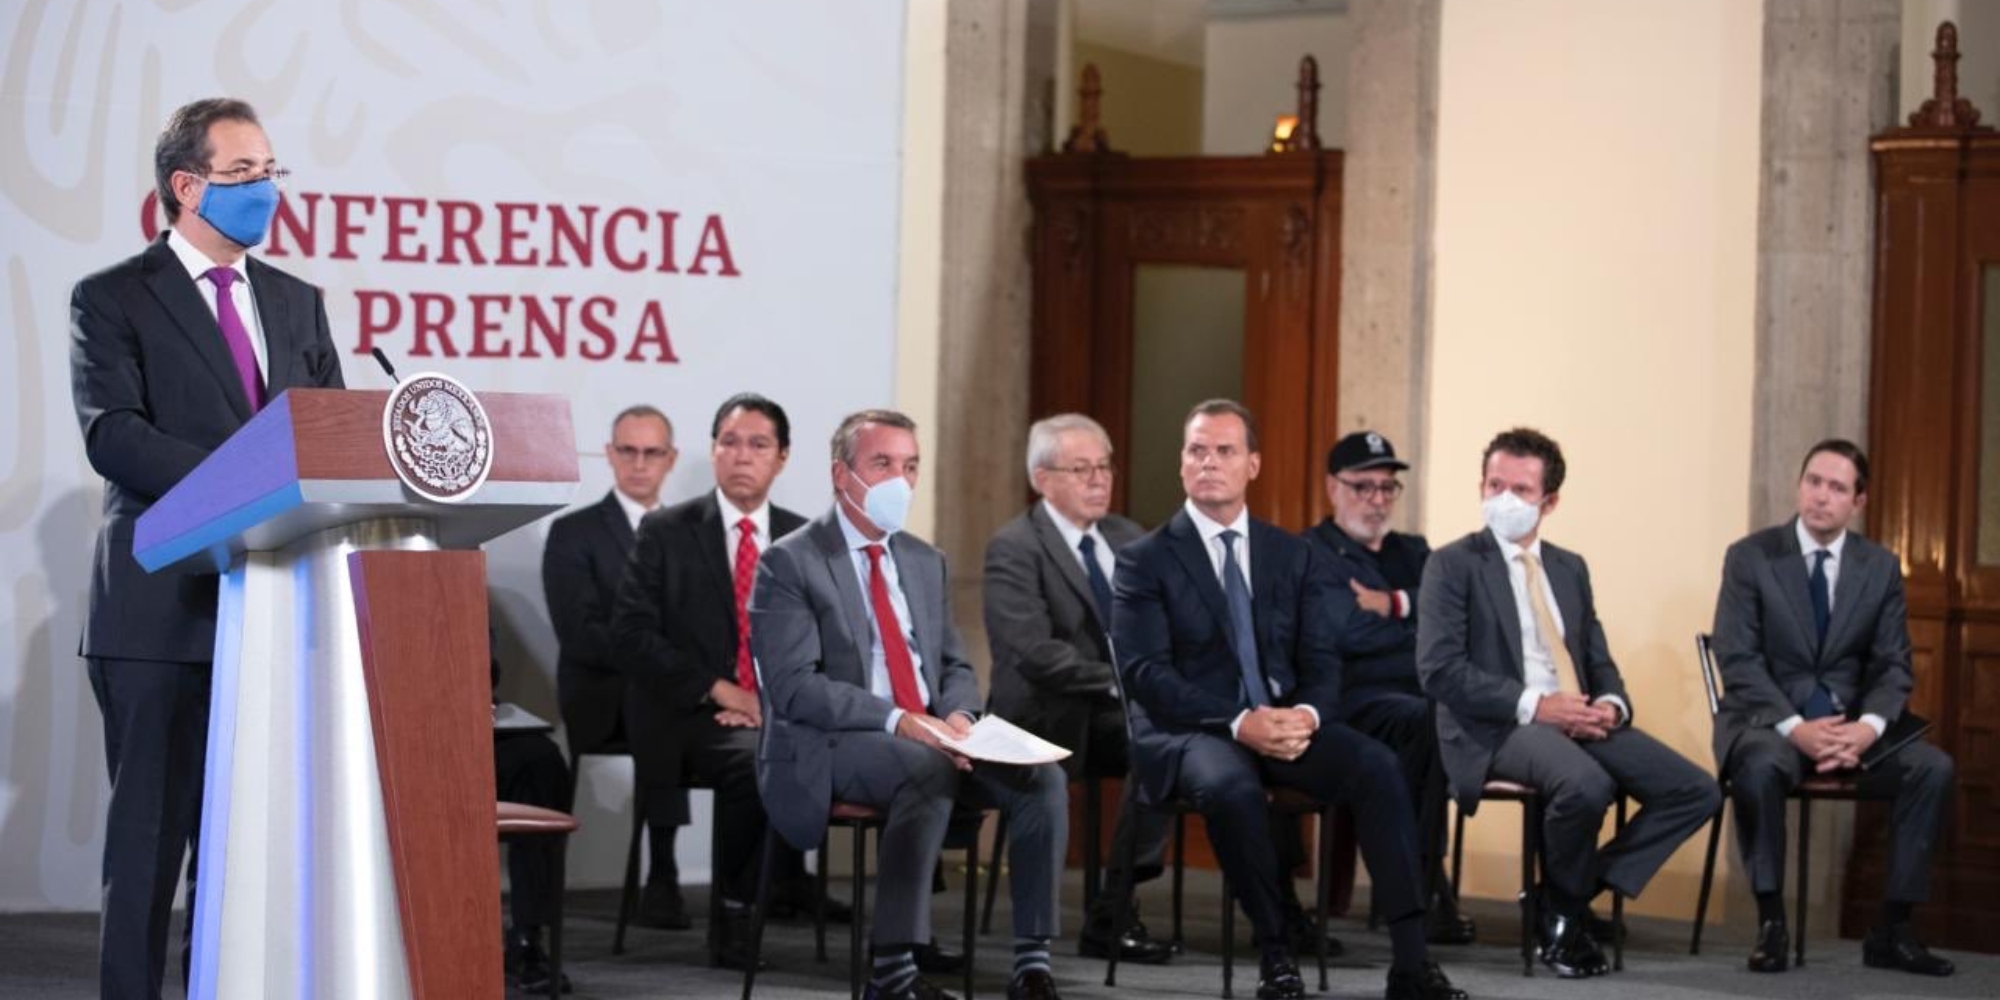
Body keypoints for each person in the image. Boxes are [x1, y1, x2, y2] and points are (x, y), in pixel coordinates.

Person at [69, 97, 345, 999]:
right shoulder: (113, 297)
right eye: (243, 174)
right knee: (149, 847)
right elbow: (114, 434)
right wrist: (251, 481)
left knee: (252, 853)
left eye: (272, 171)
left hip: (276, 608)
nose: (266, 189)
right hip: (161, 611)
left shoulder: (297, 302)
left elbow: (332, 435)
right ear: (187, 187)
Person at [1112, 400, 1464, 1000]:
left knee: (1376, 765)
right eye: (1197, 450)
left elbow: (1322, 660)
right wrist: (1240, 720)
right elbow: (1145, 674)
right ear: (1181, 464)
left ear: (1252, 464)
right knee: (1232, 788)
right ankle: (1278, 955)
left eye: (1224, 451)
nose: (1209, 463)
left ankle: (1411, 962)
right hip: (1192, 730)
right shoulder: (1145, 560)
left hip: (1281, 722)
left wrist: (1306, 714)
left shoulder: (1289, 554)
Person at [752, 409, 1070, 1000]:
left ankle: (1032, 964)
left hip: (931, 734)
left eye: (911, 466)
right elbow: (794, 687)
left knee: (1040, 780)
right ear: (841, 476)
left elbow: (951, 664)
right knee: (924, 769)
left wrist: (958, 717)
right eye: (883, 464)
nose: (900, 480)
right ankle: (892, 976)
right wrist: (901, 720)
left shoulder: (925, 560)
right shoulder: (790, 562)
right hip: (831, 742)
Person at [1416, 427, 1718, 978]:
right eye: (1493, 484)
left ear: (1549, 501)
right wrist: (1537, 704)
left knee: (1694, 790)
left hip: (1576, 717)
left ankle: (1559, 898)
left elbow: (1597, 656)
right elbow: (1440, 671)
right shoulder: (1452, 564)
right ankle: (1564, 924)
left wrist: (1611, 704)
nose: (1503, 500)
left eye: (1521, 490)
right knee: (1586, 785)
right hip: (1496, 724)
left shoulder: (1569, 566)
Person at [609, 393, 849, 966]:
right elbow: (633, 633)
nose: (742, 456)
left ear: (783, 458)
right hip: (687, 713)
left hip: (778, 710)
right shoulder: (667, 530)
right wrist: (724, 691)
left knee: (867, 746)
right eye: (730, 442)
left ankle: (902, 934)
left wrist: (776, 700)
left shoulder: (807, 539)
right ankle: (735, 915)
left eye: (758, 444)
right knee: (754, 759)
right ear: (714, 451)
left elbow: (831, 639)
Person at [1709, 439, 1955, 976]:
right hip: (1768, 720)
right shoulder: (1751, 556)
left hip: (1850, 726)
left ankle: (1892, 928)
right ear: (1800, 486)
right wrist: (1796, 727)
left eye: (1837, 488)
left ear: (1858, 502)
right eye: (1813, 482)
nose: (1821, 496)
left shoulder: (1880, 567)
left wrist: (1868, 729)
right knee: (1759, 766)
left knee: (1932, 768)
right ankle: (1771, 922)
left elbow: (1895, 665)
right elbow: (1738, 658)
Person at [983, 414, 1173, 964]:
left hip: (1118, 711)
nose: (1099, 480)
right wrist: (1126, 683)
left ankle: (1113, 906)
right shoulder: (1014, 547)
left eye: (1105, 466)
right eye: (1081, 468)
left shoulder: (1128, 538)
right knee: (1149, 735)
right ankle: (1109, 914)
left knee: (1167, 744)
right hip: (1047, 712)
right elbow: (1036, 653)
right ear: (1043, 478)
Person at [1304, 431, 1473, 945]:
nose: (1377, 501)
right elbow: (1345, 632)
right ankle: (1421, 884)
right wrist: (1419, 624)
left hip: (1420, 693)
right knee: (1427, 720)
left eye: (1387, 488)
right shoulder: (1311, 552)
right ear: (1333, 487)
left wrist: (1394, 603)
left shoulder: (1414, 551)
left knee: (1438, 716)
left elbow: (1461, 617)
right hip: (1353, 698)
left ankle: (1421, 877)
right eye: (1363, 487)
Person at [541, 405, 690, 929]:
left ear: (669, 458)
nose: (639, 463)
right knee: (661, 707)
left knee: (763, 717)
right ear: (609, 454)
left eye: (652, 452)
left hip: (670, 694)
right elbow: (580, 634)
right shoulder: (573, 533)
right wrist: (664, 663)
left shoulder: (689, 535)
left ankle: (765, 884)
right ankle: (665, 876)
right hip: (600, 697)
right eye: (628, 450)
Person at [491, 652, 574, 994]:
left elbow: (488, 659)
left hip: (475, 711)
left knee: (541, 760)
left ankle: (527, 936)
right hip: (395, 714)